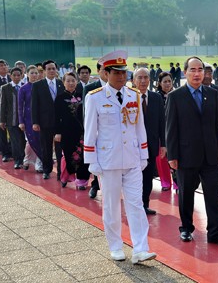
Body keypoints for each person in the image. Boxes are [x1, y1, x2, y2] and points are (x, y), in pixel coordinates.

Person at [84, 50, 157, 264]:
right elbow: (90, 131)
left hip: (132, 159)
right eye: (116, 72)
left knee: (136, 204)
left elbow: (139, 127)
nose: (121, 76)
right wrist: (92, 161)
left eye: (123, 72)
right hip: (108, 162)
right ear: (106, 73)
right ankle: (115, 246)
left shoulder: (133, 95)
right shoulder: (95, 97)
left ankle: (141, 249)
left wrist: (144, 154)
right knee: (112, 206)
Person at [165, 56, 218, 246]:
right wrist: (173, 156)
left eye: (200, 70)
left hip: (211, 154)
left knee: (214, 194)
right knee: (186, 194)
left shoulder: (213, 94)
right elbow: (171, 129)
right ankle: (186, 228)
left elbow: (216, 123)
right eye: (193, 70)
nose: (197, 74)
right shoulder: (175, 96)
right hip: (186, 156)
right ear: (185, 72)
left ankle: (216, 233)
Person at [133, 68, 166, 215]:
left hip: (151, 146)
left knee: (148, 177)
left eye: (145, 77)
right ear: (133, 81)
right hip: (133, 147)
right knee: (133, 178)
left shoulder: (156, 98)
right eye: (139, 78)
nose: (143, 81)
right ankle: (134, 204)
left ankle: (145, 204)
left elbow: (162, 122)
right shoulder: (128, 97)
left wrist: (163, 144)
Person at [54, 72, 90, 189]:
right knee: (68, 155)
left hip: (81, 133)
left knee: (83, 156)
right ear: (63, 83)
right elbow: (56, 117)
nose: (71, 83)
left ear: (77, 82)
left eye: (73, 80)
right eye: (68, 81)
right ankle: (66, 176)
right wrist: (57, 132)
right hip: (66, 132)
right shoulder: (59, 98)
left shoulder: (82, 96)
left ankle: (81, 181)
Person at [31, 60, 64, 179]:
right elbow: (34, 105)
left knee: (60, 149)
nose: (51, 71)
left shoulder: (61, 83)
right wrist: (35, 122)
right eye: (49, 69)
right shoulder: (37, 85)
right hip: (45, 122)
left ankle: (61, 172)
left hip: (59, 122)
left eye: (53, 68)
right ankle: (47, 169)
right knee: (46, 147)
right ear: (44, 71)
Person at [82, 60, 108, 199]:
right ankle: (94, 186)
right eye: (104, 69)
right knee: (96, 165)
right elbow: (86, 114)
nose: (106, 72)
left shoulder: (120, 88)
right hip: (96, 133)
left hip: (110, 136)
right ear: (98, 71)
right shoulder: (91, 89)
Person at [0, 67, 26, 169]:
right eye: (14, 75)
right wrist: (2, 120)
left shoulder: (25, 86)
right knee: (15, 141)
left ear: (22, 76)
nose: (16, 77)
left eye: (18, 75)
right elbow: (2, 105)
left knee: (23, 141)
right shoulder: (5, 88)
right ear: (10, 76)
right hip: (12, 119)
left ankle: (25, 159)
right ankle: (18, 160)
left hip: (25, 120)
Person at [155, 72, 178, 192]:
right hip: (161, 132)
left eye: (169, 81)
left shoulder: (177, 95)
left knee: (175, 158)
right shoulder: (156, 97)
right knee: (162, 158)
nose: (168, 84)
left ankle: (177, 183)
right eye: (165, 81)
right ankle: (165, 183)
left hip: (175, 131)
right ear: (159, 83)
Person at [18, 65, 42, 172]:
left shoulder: (42, 86)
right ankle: (27, 159)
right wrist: (21, 121)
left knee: (40, 140)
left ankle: (39, 162)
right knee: (30, 140)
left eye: (36, 73)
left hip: (41, 118)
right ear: (27, 74)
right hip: (28, 119)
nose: (34, 75)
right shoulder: (23, 88)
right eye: (32, 73)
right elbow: (20, 106)